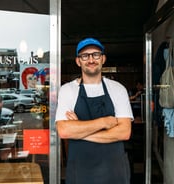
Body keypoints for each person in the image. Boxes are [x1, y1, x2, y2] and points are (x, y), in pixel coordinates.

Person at [55, 37, 133, 184]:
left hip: (114, 170)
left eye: (95, 54)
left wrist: (79, 130)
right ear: (78, 61)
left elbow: (124, 132)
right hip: (81, 170)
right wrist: (104, 122)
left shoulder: (118, 89)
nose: (91, 59)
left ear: (103, 58)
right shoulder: (68, 90)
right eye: (85, 55)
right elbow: (64, 131)